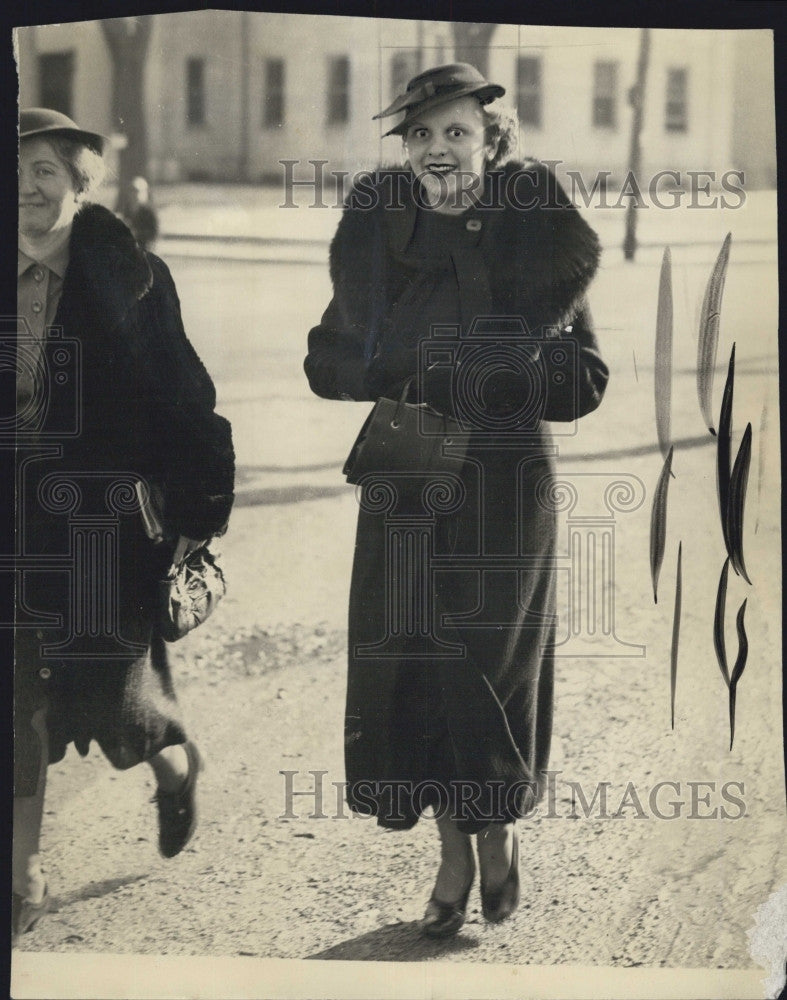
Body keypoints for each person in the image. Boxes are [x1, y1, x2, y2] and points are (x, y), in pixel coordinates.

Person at [304, 64, 608, 937]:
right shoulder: (376, 232)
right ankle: (449, 853)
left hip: (506, 490)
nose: (438, 151)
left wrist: (487, 368)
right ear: (405, 151)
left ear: (491, 141)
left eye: (455, 133)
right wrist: (386, 365)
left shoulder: (538, 238)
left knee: (488, 665)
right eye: (421, 136)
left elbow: (583, 380)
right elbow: (327, 360)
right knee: (417, 671)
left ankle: (497, 831)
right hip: (406, 479)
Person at [13, 108, 234, 943]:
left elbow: (186, 398)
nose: (26, 186)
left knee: (115, 704)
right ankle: (23, 872)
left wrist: (198, 507)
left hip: (98, 527)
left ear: (79, 183)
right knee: (15, 701)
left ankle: (175, 767)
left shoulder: (133, 280)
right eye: (12, 168)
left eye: (43, 169)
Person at [123, 175, 159, 251]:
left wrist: (138, 233)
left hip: (145, 246)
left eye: (137, 191)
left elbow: (154, 232)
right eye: (131, 191)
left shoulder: (149, 210)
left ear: (144, 192)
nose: (134, 194)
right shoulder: (128, 207)